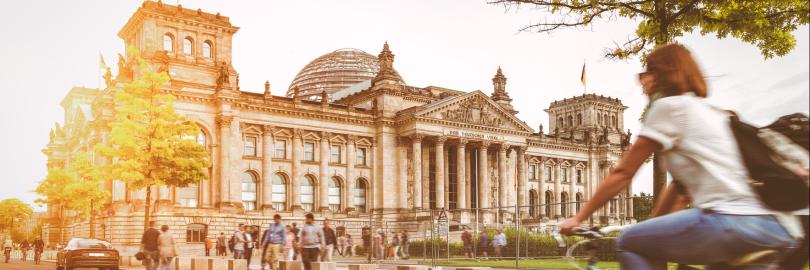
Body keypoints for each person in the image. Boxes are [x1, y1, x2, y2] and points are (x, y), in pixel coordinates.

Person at [559, 44, 801, 269]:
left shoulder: (669, 107)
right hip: (774, 226)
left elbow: (623, 172)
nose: (642, 82)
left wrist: (578, 218)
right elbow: (679, 185)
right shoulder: (715, 113)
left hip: (728, 220)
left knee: (629, 241)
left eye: (646, 73)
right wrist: (653, 222)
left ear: (662, 74)